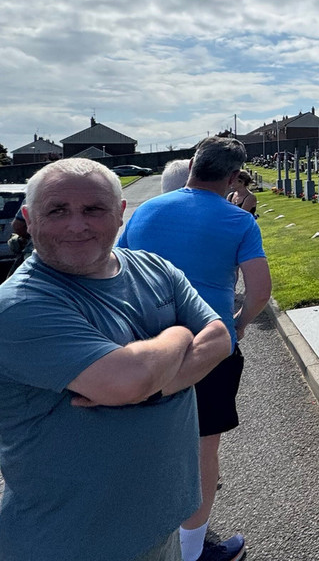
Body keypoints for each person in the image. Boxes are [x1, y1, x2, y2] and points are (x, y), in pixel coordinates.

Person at [0, 158, 232, 561]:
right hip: (72, 541)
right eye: (57, 211)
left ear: (121, 213)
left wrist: (149, 387)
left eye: (93, 209)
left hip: (161, 522)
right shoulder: (19, 305)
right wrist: (179, 335)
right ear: (29, 219)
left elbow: (219, 338)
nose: (77, 225)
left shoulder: (155, 269)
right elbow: (125, 382)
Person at [119, 137, 272, 561]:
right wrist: (236, 326)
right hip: (208, 347)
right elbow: (259, 291)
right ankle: (190, 552)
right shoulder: (238, 221)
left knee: (150, 444)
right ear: (230, 177)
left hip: (147, 345)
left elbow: (117, 273)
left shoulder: (147, 210)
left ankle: (147, 543)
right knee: (204, 450)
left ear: (191, 168)